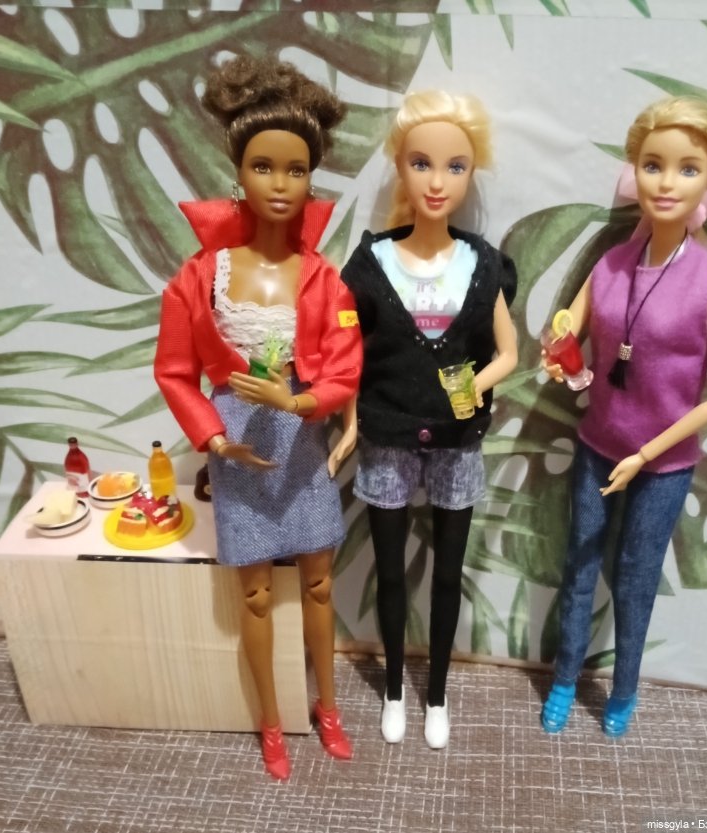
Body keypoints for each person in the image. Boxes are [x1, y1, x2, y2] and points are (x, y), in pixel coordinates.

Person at [154, 55, 362, 780]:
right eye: (263, 166)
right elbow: (174, 371)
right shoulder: (199, 276)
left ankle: (327, 707)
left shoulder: (323, 277)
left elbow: (344, 367)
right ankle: (270, 721)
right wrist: (214, 438)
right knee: (253, 591)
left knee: (318, 583)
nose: (279, 183)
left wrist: (298, 401)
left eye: (296, 169)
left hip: (301, 439)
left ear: (312, 179)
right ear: (238, 173)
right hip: (237, 444)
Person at [540, 96, 707, 738]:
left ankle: (624, 689)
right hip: (598, 442)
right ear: (636, 171)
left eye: (688, 169)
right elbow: (570, 320)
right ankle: (565, 678)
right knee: (579, 564)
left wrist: (647, 453)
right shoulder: (611, 263)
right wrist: (560, 346)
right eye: (653, 165)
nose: (667, 182)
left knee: (634, 579)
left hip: (663, 464)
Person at [332, 90, 518, 749]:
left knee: (445, 574)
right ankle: (392, 690)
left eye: (454, 166)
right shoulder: (371, 263)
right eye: (421, 163)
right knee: (388, 571)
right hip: (385, 434)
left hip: (458, 440)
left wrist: (467, 386)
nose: (437, 182)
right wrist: (349, 423)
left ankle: (435, 694)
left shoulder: (483, 264)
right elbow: (347, 352)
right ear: (400, 167)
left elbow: (509, 353)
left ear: (471, 172)